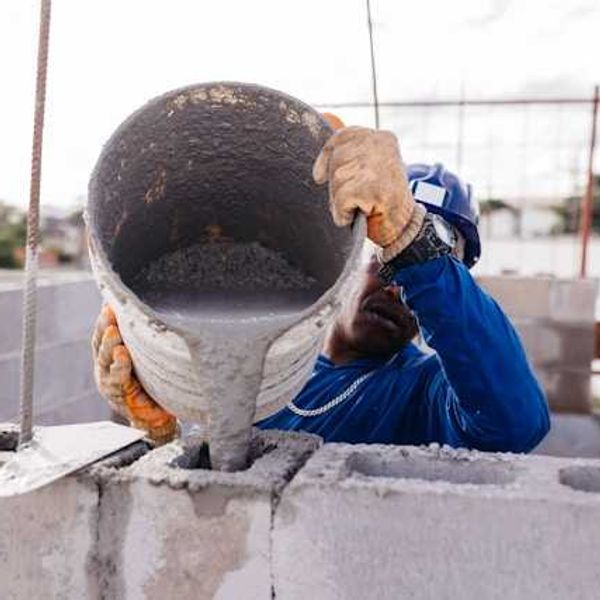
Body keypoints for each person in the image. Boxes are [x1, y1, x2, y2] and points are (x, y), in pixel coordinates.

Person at [92, 124, 550, 453]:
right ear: (349, 259)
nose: (395, 290)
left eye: (412, 263)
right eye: (383, 255)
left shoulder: (423, 394)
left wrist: (409, 239)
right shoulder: (269, 360)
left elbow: (516, 424)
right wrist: (163, 432)